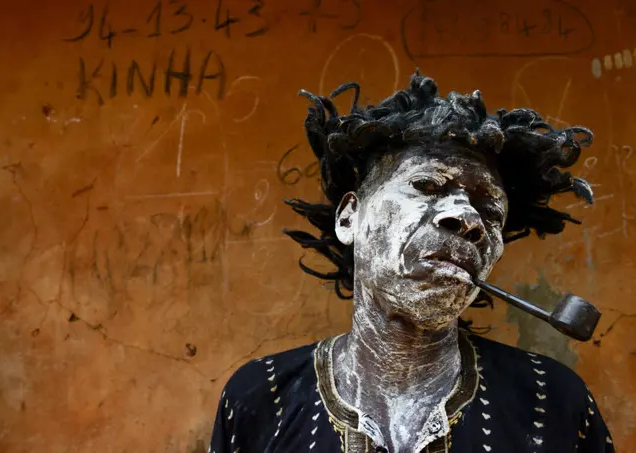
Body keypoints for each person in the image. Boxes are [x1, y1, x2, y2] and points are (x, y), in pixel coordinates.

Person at [208, 71, 615, 453]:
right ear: (350, 218)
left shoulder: (554, 403)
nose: (468, 219)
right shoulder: (259, 399)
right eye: (426, 186)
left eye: (490, 211)